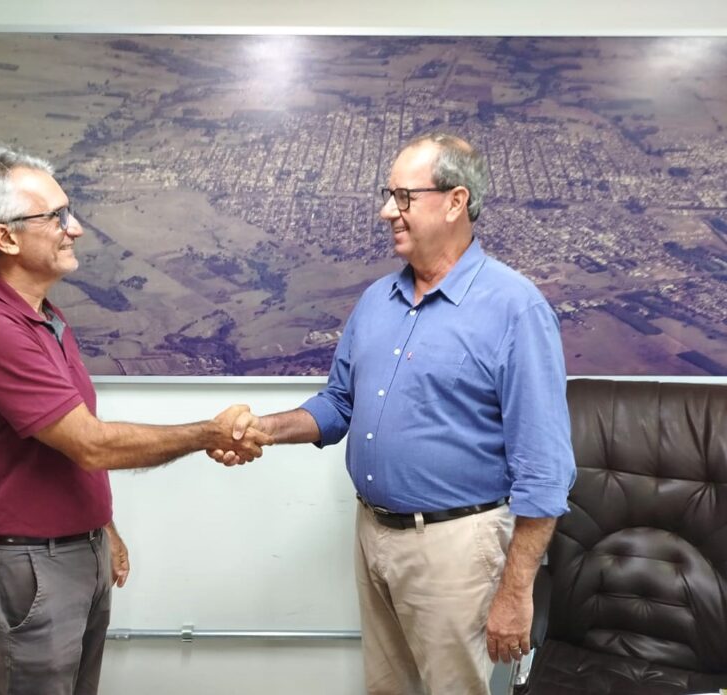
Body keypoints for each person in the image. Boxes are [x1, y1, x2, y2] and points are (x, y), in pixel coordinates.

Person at [213, 133, 576, 695]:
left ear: (455, 202)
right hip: (373, 535)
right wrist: (265, 429)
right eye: (389, 195)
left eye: (404, 197)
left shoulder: (516, 309)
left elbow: (545, 469)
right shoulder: (376, 300)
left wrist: (516, 590)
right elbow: (339, 404)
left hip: (459, 547)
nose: (387, 211)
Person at [0, 141, 267, 695]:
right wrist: (210, 432)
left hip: (71, 550)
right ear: (6, 238)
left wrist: (100, 525)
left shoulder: (44, 318)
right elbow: (92, 444)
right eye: (56, 216)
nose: (76, 228)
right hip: (30, 564)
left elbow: (61, 440)